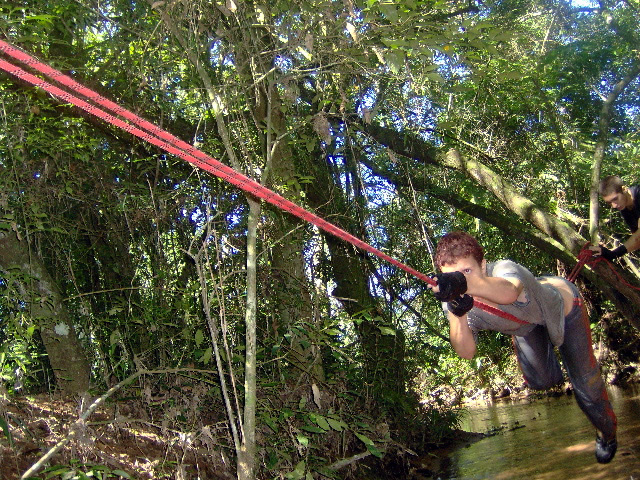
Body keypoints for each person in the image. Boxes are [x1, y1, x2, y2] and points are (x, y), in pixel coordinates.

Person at [429, 231, 618, 464]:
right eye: (452, 276)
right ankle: (530, 336)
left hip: (564, 308)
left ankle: (607, 434)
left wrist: (463, 283)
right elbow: (466, 352)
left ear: (483, 265)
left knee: (586, 386)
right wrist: (457, 315)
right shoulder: (452, 300)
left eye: (466, 271)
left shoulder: (504, 269)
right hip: (528, 325)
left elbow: (509, 292)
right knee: (542, 381)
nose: (459, 280)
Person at [592, 175, 640, 260]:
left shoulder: (638, 194)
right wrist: (609, 252)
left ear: (624, 189)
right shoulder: (625, 208)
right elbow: (637, 240)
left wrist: (614, 254)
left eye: (615, 199)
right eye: (609, 202)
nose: (614, 205)